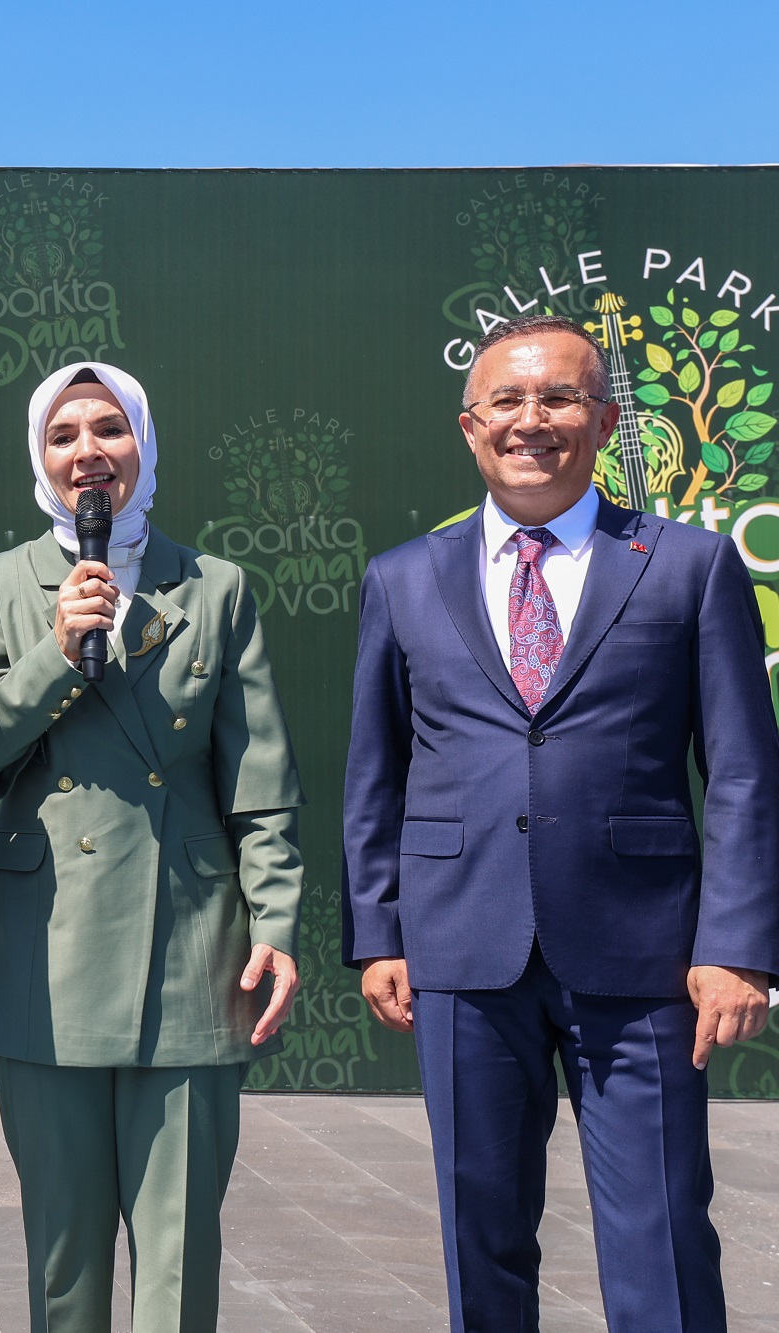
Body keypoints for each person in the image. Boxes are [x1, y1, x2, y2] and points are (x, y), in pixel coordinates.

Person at [345, 313, 779, 1330]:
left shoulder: (687, 565)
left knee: (662, 1235)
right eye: (506, 400)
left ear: (605, 419)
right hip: (460, 946)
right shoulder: (403, 577)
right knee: (479, 1232)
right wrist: (378, 931)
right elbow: (377, 770)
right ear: (469, 425)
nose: (530, 420)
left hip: (643, 955)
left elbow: (742, 774)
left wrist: (736, 947)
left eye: (558, 397)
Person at [0, 362, 303, 1333]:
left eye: (109, 428)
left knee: (179, 1254)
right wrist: (57, 653)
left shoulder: (216, 587)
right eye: (62, 435)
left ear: (143, 442)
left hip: (190, 949)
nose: (87, 452)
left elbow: (259, 779)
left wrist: (274, 921)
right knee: (61, 1256)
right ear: (38, 457)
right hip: (41, 945)